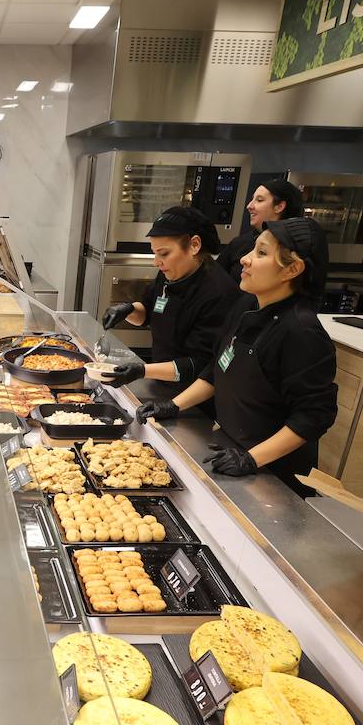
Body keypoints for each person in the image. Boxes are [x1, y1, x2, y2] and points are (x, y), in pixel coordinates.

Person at [138, 217, 337, 495]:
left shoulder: (301, 332)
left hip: (273, 477)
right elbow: (218, 367)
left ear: (293, 268)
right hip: (231, 450)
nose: (245, 259)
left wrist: (252, 458)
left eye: (261, 253)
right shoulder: (246, 305)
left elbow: (314, 416)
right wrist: (174, 405)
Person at [99, 207, 247, 404]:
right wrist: (127, 310)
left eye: (164, 253)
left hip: (194, 399)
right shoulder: (170, 272)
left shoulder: (219, 292)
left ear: (194, 245)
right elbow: (148, 311)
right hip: (161, 385)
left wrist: (143, 370)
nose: (156, 262)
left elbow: (200, 363)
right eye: (154, 253)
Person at [215, 179, 304, 284]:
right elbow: (215, 279)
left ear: (279, 206)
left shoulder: (297, 249)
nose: (249, 206)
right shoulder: (239, 244)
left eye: (259, 200)